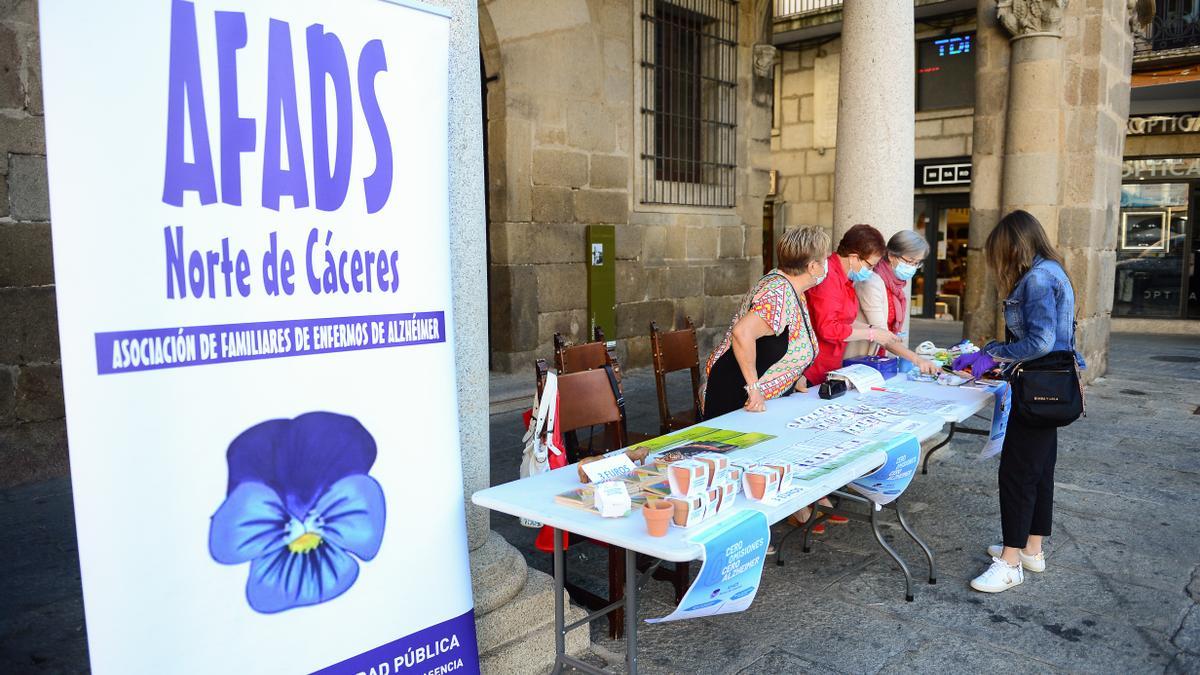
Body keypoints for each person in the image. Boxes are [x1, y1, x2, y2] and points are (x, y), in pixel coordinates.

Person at [969, 209, 1085, 593]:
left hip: (1037, 383)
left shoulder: (1035, 279)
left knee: (1018, 474)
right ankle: (1032, 548)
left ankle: (1010, 560)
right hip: (1052, 382)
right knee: (1039, 469)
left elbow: (1039, 342)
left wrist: (993, 351)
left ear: (1014, 246)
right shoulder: (1052, 270)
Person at [701, 226, 828, 419]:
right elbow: (742, 333)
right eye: (825, 259)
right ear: (812, 267)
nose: (827, 265)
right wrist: (754, 388)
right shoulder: (778, 293)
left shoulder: (792, 289)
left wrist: (795, 376)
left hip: (756, 401)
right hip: (735, 397)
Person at [803, 224, 901, 386]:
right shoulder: (828, 277)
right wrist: (871, 334)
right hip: (813, 367)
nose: (871, 271)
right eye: (870, 266)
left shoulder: (846, 278)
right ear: (854, 257)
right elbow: (828, 328)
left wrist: (873, 330)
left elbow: (845, 320)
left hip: (830, 363)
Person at [845, 230, 940, 375]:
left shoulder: (896, 283)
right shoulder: (871, 282)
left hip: (877, 357)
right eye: (909, 261)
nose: (913, 267)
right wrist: (918, 359)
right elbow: (882, 335)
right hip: (857, 359)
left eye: (917, 263)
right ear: (891, 255)